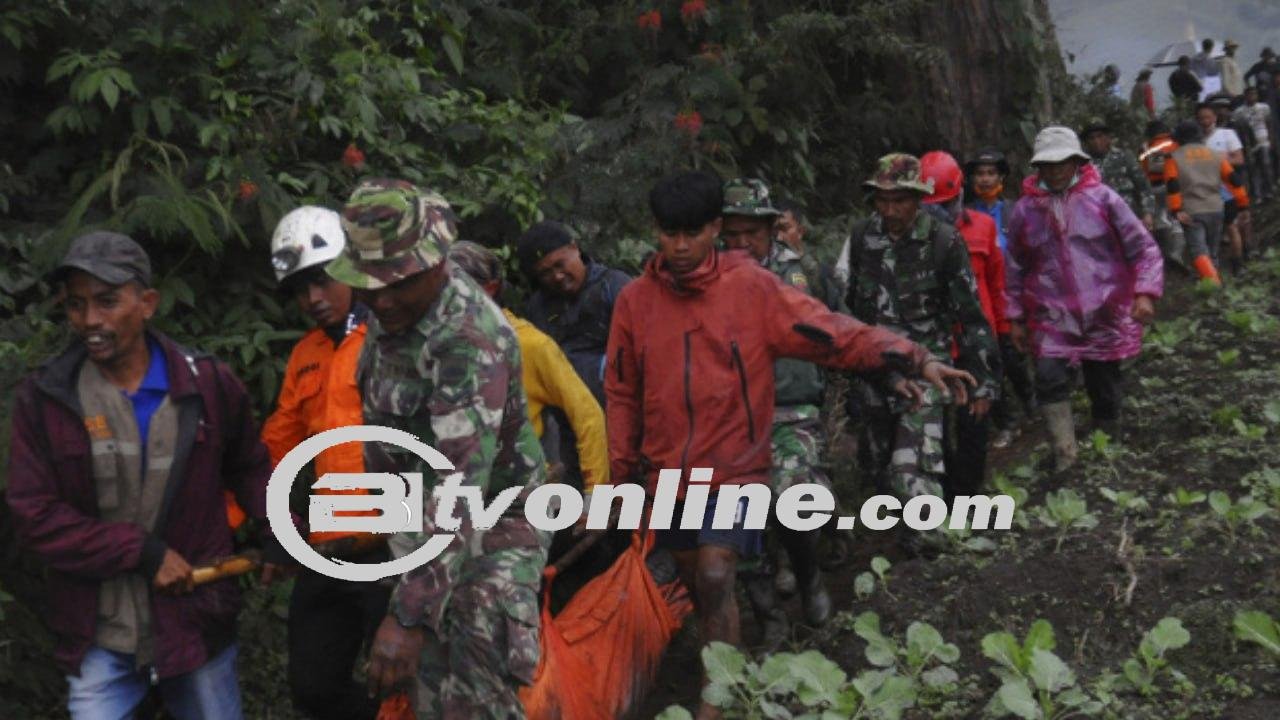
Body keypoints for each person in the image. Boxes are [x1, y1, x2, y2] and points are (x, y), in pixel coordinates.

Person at [606, 170, 973, 720]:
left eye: (691, 233)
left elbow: (833, 333)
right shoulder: (635, 302)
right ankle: (728, 657)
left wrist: (914, 357)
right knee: (696, 578)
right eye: (668, 233)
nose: (679, 247)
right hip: (669, 472)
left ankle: (715, 696)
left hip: (735, 464)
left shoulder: (752, 289)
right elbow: (621, 391)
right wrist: (619, 476)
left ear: (714, 229)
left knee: (714, 570)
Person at [7, 232, 287, 719]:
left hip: (194, 624)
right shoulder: (47, 399)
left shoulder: (206, 386)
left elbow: (249, 466)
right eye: (76, 305)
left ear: (148, 303)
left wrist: (280, 530)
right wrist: (140, 551)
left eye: (107, 302)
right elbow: (36, 516)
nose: (90, 320)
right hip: (98, 631)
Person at [327, 179, 550, 718]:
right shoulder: (387, 320)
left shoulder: (469, 339)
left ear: (435, 263)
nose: (381, 299)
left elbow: (459, 490)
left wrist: (408, 615)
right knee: (430, 693)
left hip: (495, 524)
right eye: (369, 285)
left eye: (397, 283)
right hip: (422, 526)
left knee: (476, 690)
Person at [257, 206, 388, 720]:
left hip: (392, 547)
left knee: (401, 683)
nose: (312, 298)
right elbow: (275, 447)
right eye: (299, 288)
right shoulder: (306, 355)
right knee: (313, 687)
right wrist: (270, 523)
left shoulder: (390, 341)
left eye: (322, 280)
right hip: (327, 546)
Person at [843, 154, 997, 520]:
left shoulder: (943, 241)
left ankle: (928, 540)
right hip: (876, 366)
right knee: (877, 460)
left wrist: (984, 381)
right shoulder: (863, 237)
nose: (891, 209)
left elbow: (971, 316)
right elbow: (849, 307)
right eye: (883, 200)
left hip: (928, 366)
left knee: (914, 465)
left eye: (899, 200)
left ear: (917, 198)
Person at [1006, 127, 1163, 470]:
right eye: (1049, 163)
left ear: (1077, 162)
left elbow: (1143, 248)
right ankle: (1065, 454)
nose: (1057, 170)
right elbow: (1015, 267)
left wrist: (1145, 293)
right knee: (1048, 376)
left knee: (1102, 381)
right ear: (1038, 167)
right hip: (1050, 314)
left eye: (1064, 162)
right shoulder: (1025, 211)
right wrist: (1015, 317)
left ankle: (1107, 441)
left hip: (1103, 309)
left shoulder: (1104, 199)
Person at [719, 177, 834, 643]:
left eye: (754, 232)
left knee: (794, 502)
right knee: (735, 518)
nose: (743, 243)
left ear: (771, 229)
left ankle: (809, 577)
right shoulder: (706, 280)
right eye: (734, 233)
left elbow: (840, 329)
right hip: (727, 418)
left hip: (791, 408)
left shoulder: (802, 271)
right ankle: (769, 618)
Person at [447, 239, 609, 491]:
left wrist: (594, 496)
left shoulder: (528, 344)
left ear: (489, 289)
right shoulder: (429, 344)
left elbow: (588, 417)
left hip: (515, 500)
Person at [919, 151, 1005, 499]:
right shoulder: (913, 239)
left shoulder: (983, 227)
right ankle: (946, 497)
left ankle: (968, 496)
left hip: (974, 344)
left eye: (945, 204)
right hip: (932, 347)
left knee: (974, 424)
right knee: (934, 428)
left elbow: (997, 284)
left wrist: (1003, 332)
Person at [965, 148, 1037, 448]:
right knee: (989, 361)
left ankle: (1033, 405)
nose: (985, 179)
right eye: (980, 174)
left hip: (1015, 293)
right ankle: (1006, 422)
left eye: (991, 173)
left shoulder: (1014, 211)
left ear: (1002, 177)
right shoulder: (965, 215)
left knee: (1016, 358)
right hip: (982, 298)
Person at [517, 221, 631, 406]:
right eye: (545, 273)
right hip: (564, 417)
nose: (557, 276)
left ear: (574, 248)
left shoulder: (614, 287)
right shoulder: (538, 306)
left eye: (560, 265)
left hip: (617, 409)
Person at [1164, 120, 1250, 283]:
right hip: (1216, 208)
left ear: (1179, 139)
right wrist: (1243, 205)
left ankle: (1214, 286)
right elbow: (1234, 180)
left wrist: (1176, 210)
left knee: (1198, 251)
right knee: (1212, 251)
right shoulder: (1215, 155)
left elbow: (1173, 185)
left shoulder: (1173, 158)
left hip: (1191, 211)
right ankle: (1214, 283)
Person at [1081, 118, 1156, 231]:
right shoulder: (1082, 165)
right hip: (1098, 224)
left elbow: (1144, 187)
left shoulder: (1125, 157)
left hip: (1129, 220)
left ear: (1108, 138)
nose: (1096, 141)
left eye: (1100, 136)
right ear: (1086, 142)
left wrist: (1148, 213)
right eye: (1092, 138)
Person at [1202, 99, 1250, 272]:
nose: (1205, 121)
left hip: (1231, 185)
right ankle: (1227, 262)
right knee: (1221, 227)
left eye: (1208, 117)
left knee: (1236, 224)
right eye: (1201, 118)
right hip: (1208, 189)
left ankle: (1243, 255)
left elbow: (1239, 158)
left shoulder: (1227, 134)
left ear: (1214, 118)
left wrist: (1220, 159)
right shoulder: (1197, 140)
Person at [774, 198, 843, 311]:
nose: (778, 237)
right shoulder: (760, 263)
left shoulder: (820, 269)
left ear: (800, 231)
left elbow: (836, 310)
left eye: (784, 229)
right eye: (774, 230)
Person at [1140, 121, 1189, 271]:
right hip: (1173, 185)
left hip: (1154, 187)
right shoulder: (1175, 143)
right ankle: (1176, 252)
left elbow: (1142, 168)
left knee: (1161, 218)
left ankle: (1164, 254)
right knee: (1176, 219)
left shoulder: (1146, 147)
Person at [1234, 86, 1274, 202]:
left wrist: (1271, 139)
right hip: (1249, 143)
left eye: (1254, 94)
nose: (1252, 96)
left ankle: (1269, 191)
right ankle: (1257, 194)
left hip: (1263, 140)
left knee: (1266, 165)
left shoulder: (1264, 107)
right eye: (1250, 94)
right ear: (1245, 96)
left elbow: (1269, 123)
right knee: (1253, 168)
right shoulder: (1239, 112)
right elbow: (1238, 129)